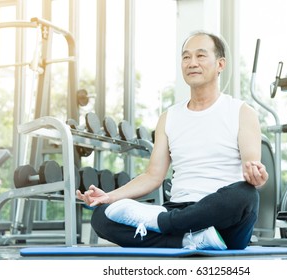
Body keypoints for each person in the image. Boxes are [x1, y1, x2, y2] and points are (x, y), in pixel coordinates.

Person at [77, 31, 269, 250]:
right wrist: (108, 197)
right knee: (102, 216)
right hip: (178, 208)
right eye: (186, 57)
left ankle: (162, 225)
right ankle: (186, 239)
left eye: (200, 56)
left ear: (220, 64)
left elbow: (253, 170)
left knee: (245, 195)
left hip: (219, 216)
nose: (192, 63)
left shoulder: (242, 112)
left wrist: (257, 177)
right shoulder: (169, 117)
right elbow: (152, 176)